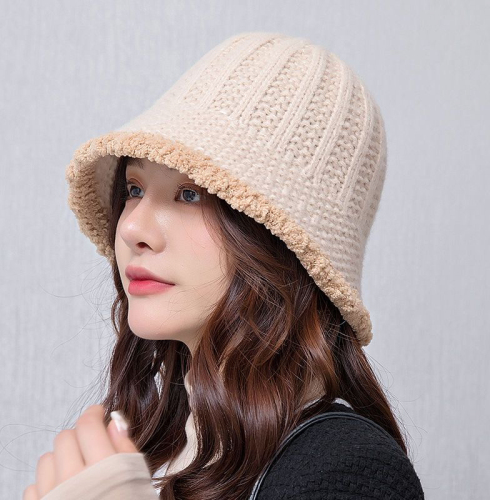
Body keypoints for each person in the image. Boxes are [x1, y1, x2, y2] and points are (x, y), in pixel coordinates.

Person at [27, 31, 425, 499]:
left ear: (280, 243)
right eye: (134, 189)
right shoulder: (156, 449)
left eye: (190, 194)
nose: (132, 227)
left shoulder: (348, 470)